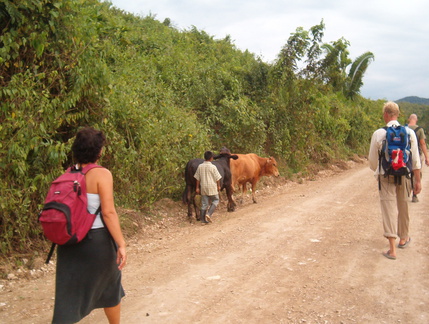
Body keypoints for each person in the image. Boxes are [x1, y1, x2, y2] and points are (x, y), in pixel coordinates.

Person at [52, 127, 127, 323]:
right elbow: (108, 213)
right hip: (97, 242)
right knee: (111, 286)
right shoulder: (101, 174)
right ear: (99, 151)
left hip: (68, 243)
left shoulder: (68, 173)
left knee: (68, 295)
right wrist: (121, 244)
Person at [368, 102, 421, 260]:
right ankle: (403, 238)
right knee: (403, 205)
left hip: (386, 175)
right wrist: (417, 180)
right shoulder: (409, 133)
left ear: (385, 114)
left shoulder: (378, 133)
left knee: (388, 208)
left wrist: (379, 170)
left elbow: (372, 162)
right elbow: (415, 160)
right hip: (404, 175)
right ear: (398, 114)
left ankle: (392, 249)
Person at [194, 151, 222, 224]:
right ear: (211, 158)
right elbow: (218, 178)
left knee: (204, 204)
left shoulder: (200, 166)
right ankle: (209, 214)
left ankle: (203, 221)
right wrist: (218, 186)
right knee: (215, 200)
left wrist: (197, 188)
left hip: (203, 187)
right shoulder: (213, 167)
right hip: (212, 187)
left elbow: (197, 178)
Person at [407, 113, 429, 202]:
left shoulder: (404, 128)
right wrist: (427, 157)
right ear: (416, 120)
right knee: (417, 174)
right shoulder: (419, 130)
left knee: (406, 173)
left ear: (409, 119)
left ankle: (405, 192)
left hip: (406, 155)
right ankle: (414, 195)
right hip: (417, 154)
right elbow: (422, 143)